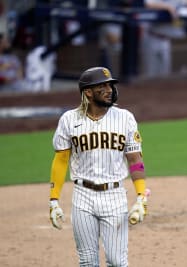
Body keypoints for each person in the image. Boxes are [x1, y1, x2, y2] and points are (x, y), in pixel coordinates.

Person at [48, 66, 149, 266]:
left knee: (117, 262)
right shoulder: (69, 120)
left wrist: (141, 196)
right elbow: (61, 160)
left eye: (110, 84)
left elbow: (135, 160)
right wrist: (53, 199)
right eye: (102, 86)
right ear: (88, 92)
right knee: (87, 261)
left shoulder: (125, 118)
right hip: (82, 196)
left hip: (115, 196)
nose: (109, 89)